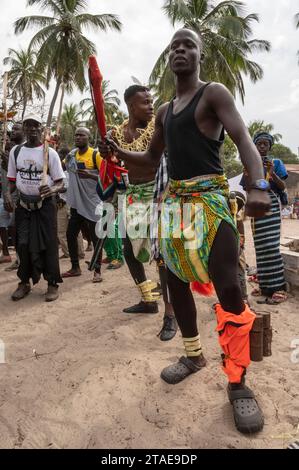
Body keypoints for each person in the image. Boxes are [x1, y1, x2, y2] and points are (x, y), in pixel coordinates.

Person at [106, 29, 271, 434]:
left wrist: (257, 184)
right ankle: (193, 355)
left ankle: (237, 381)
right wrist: (116, 152)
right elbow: (149, 156)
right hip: (175, 205)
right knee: (175, 282)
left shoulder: (213, 94)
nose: (180, 50)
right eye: (174, 46)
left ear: (199, 54)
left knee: (229, 288)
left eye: (188, 45)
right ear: (168, 58)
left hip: (212, 202)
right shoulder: (163, 111)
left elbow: (243, 137)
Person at [100, 85, 177, 342]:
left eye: (152, 101)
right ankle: (148, 299)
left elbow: (150, 159)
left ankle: (170, 313)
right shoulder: (117, 132)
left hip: (159, 195)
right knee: (128, 250)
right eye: (145, 103)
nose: (151, 106)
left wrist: (116, 150)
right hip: (131, 194)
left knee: (163, 256)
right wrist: (106, 153)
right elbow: (112, 163)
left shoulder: (159, 128)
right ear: (131, 106)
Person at [5, 114, 65, 302]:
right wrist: (7, 194)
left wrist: (52, 189)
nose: (31, 129)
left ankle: (52, 283)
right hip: (23, 205)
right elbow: (12, 180)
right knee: (21, 244)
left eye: (35, 125)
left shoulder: (50, 153)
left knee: (49, 244)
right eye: (27, 125)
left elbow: (61, 182)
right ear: (23, 128)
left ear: (41, 128)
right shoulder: (16, 152)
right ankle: (24, 282)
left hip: (45, 206)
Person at [241, 132, 288, 304]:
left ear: (269, 146)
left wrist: (272, 173)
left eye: (265, 144)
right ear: (254, 146)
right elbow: (246, 188)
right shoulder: (250, 164)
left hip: (272, 206)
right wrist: (247, 174)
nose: (262, 147)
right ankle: (265, 287)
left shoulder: (276, 163)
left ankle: (280, 288)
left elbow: (282, 187)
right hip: (255, 206)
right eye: (259, 144)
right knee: (260, 247)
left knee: (271, 246)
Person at [62, 127, 104, 283]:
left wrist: (90, 176)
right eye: (76, 135)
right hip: (76, 204)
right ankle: (75, 267)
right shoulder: (71, 155)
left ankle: (97, 270)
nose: (78, 137)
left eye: (81, 135)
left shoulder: (96, 155)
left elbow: (106, 177)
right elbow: (63, 170)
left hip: (93, 203)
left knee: (95, 237)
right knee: (70, 234)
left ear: (88, 137)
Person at [1, 122, 26, 271]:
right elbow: (11, 176)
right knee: (13, 229)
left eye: (16, 129)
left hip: (21, 198)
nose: (12, 131)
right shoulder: (13, 152)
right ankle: (19, 259)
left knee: (18, 230)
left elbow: (20, 176)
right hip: (12, 197)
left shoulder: (25, 150)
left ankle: (23, 261)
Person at [56, 146, 85, 260]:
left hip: (69, 203)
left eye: (60, 156)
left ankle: (79, 253)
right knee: (62, 231)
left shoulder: (70, 171)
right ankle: (68, 252)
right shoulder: (62, 171)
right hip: (62, 204)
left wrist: (54, 188)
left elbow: (66, 188)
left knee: (74, 231)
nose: (59, 159)